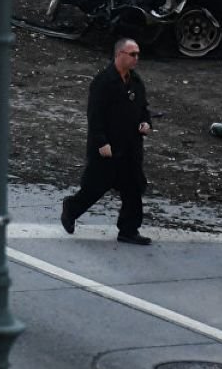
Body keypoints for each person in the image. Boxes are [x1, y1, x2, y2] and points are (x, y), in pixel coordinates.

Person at [61, 38, 155, 245]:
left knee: (133, 188)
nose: (136, 59)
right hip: (108, 147)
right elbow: (95, 116)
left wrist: (146, 124)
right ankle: (71, 208)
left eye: (138, 54)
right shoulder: (103, 82)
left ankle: (129, 230)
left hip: (131, 147)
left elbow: (143, 109)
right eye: (132, 54)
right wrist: (101, 142)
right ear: (119, 54)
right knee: (96, 186)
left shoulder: (136, 81)